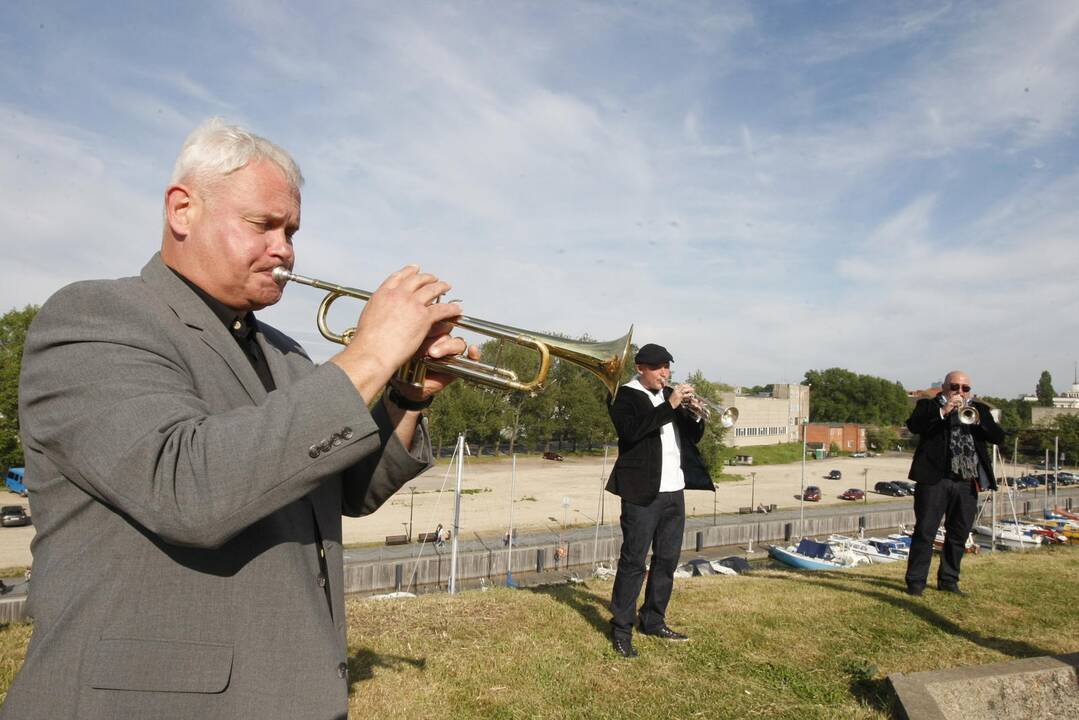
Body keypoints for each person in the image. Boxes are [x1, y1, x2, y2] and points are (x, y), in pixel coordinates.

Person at [4, 118, 475, 719]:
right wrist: (372, 353)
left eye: (292, 230)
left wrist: (408, 396)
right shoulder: (96, 316)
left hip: (293, 692)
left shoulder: (285, 351)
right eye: (263, 225)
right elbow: (187, 489)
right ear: (183, 210)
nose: (284, 249)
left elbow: (349, 490)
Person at [604, 343, 711, 658]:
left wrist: (695, 415)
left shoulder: (667, 397)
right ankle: (621, 629)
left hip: (674, 490)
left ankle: (652, 619)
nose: (665, 373)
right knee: (634, 562)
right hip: (641, 492)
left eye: (667, 367)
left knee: (667, 560)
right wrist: (671, 404)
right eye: (658, 367)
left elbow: (691, 438)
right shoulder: (622, 395)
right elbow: (632, 431)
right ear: (640, 368)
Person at [904, 370, 1004, 597]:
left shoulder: (979, 410)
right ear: (945, 386)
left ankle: (949, 581)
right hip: (934, 480)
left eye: (965, 388)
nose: (959, 391)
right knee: (925, 532)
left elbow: (998, 437)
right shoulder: (927, 406)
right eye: (955, 386)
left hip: (967, 482)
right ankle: (915, 584)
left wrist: (980, 421)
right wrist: (943, 411)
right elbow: (914, 426)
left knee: (959, 534)